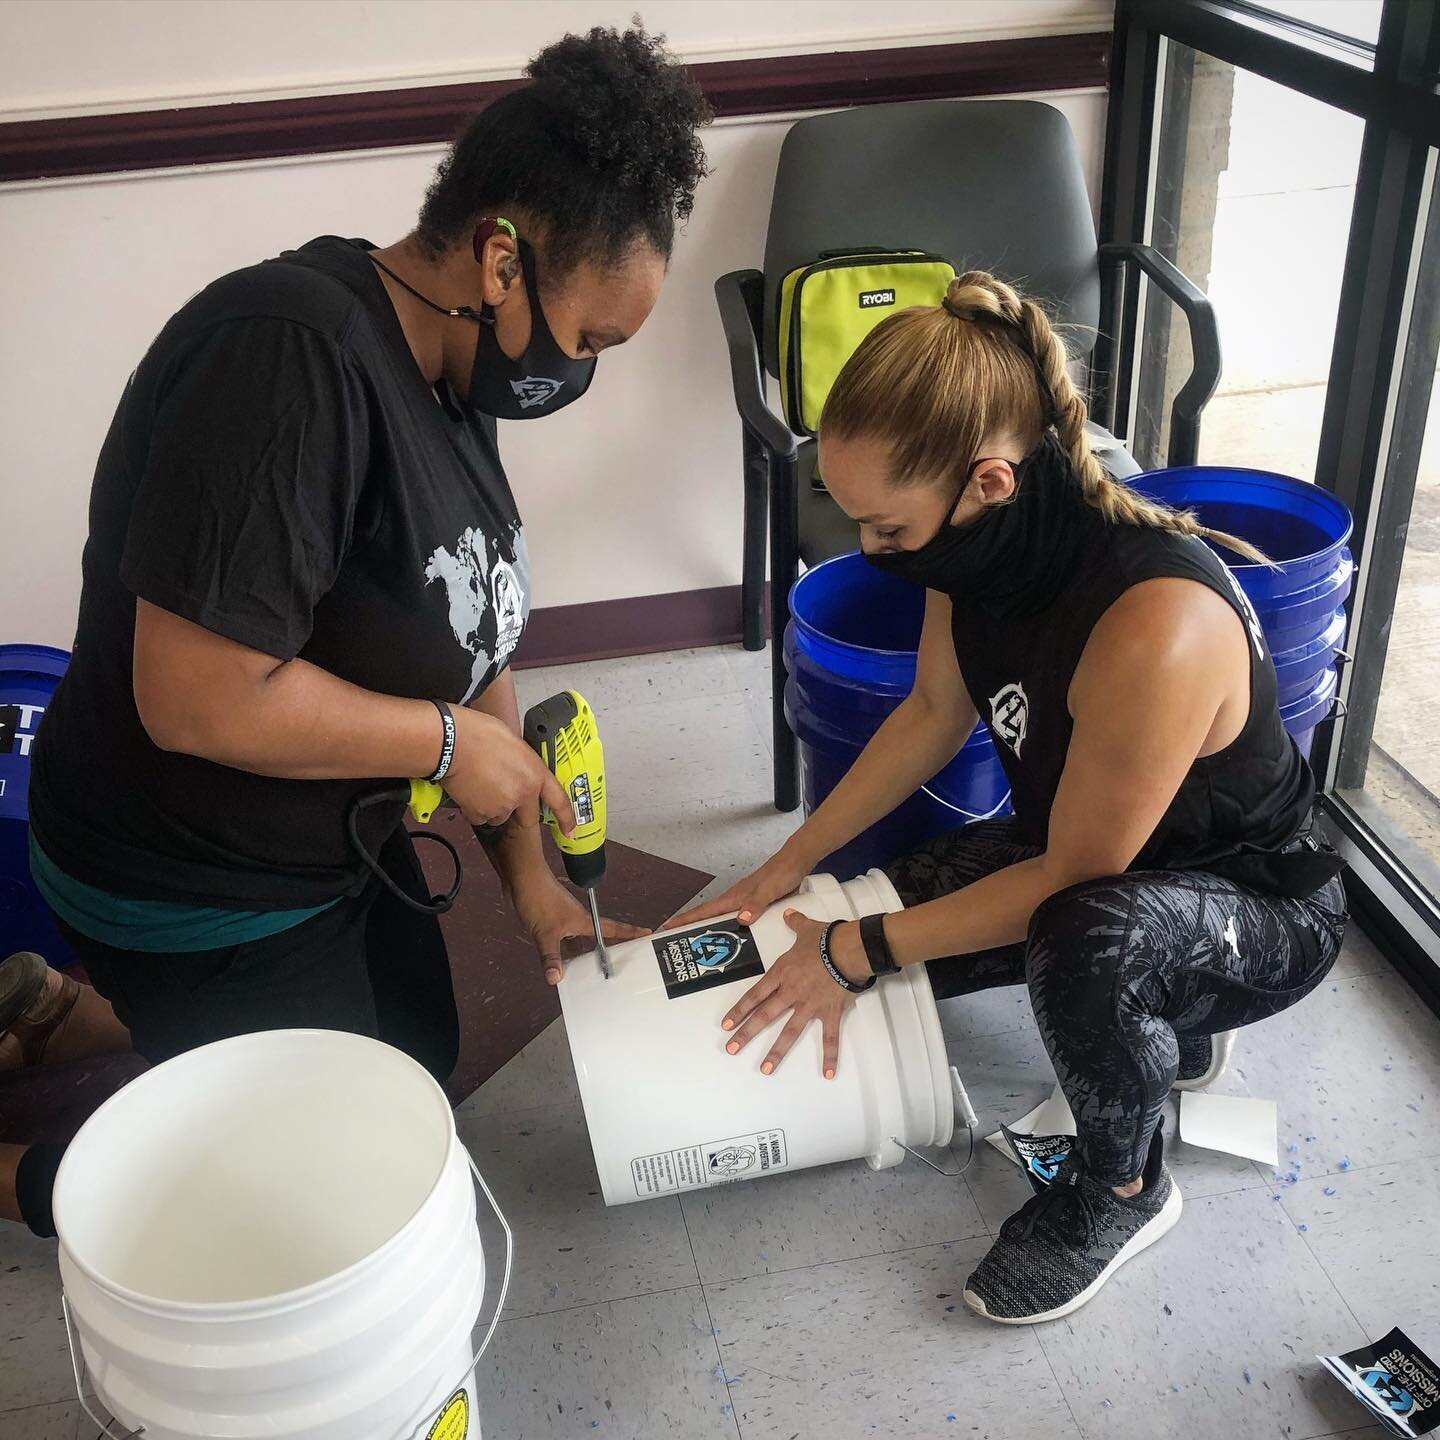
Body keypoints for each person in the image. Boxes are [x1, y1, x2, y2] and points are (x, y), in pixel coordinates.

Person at [4, 24, 710, 1237]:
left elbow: (473, 636)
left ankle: (77, 1015)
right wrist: (442, 747)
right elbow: (196, 695)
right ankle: (43, 1144)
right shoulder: (286, 362)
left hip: (331, 857)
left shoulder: (449, 375)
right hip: (189, 875)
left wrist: (534, 889)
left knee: (418, 1080)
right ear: (501, 260)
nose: (582, 371)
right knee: (313, 1215)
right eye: (590, 338)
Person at [676, 270, 1347, 1326]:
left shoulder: (1154, 622)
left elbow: (1079, 874)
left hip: (1259, 906)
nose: (873, 551)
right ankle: (1165, 1028)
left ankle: (1124, 1187)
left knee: (1079, 937)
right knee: (899, 889)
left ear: (988, 481)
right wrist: (785, 868)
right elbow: (932, 713)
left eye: (888, 530)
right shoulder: (978, 544)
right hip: (1121, 860)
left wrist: (860, 954)